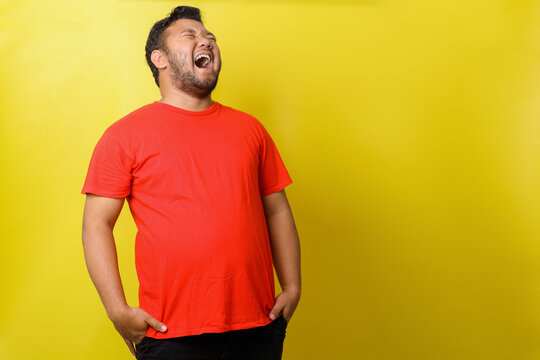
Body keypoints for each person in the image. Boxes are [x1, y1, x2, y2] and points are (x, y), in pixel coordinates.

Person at [81, 5, 301, 360]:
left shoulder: (251, 129)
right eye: (191, 35)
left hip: (257, 326)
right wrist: (116, 309)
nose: (207, 42)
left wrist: (292, 287)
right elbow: (96, 224)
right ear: (160, 58)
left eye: (210, 37)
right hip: (171, 333)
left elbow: (277, 210)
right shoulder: (124, 136)